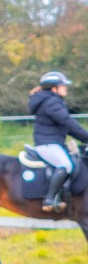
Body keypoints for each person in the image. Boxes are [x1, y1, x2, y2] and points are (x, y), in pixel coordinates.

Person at [29, 71, 88, 212]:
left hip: (53, 142)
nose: (65, 88)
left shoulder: (51, 100)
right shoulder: (51, 102)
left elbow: (66, 126)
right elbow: (67, 122)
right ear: (53, 88)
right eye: (63, 85)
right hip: (47, 144)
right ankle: (49, 199)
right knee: (65, 165)